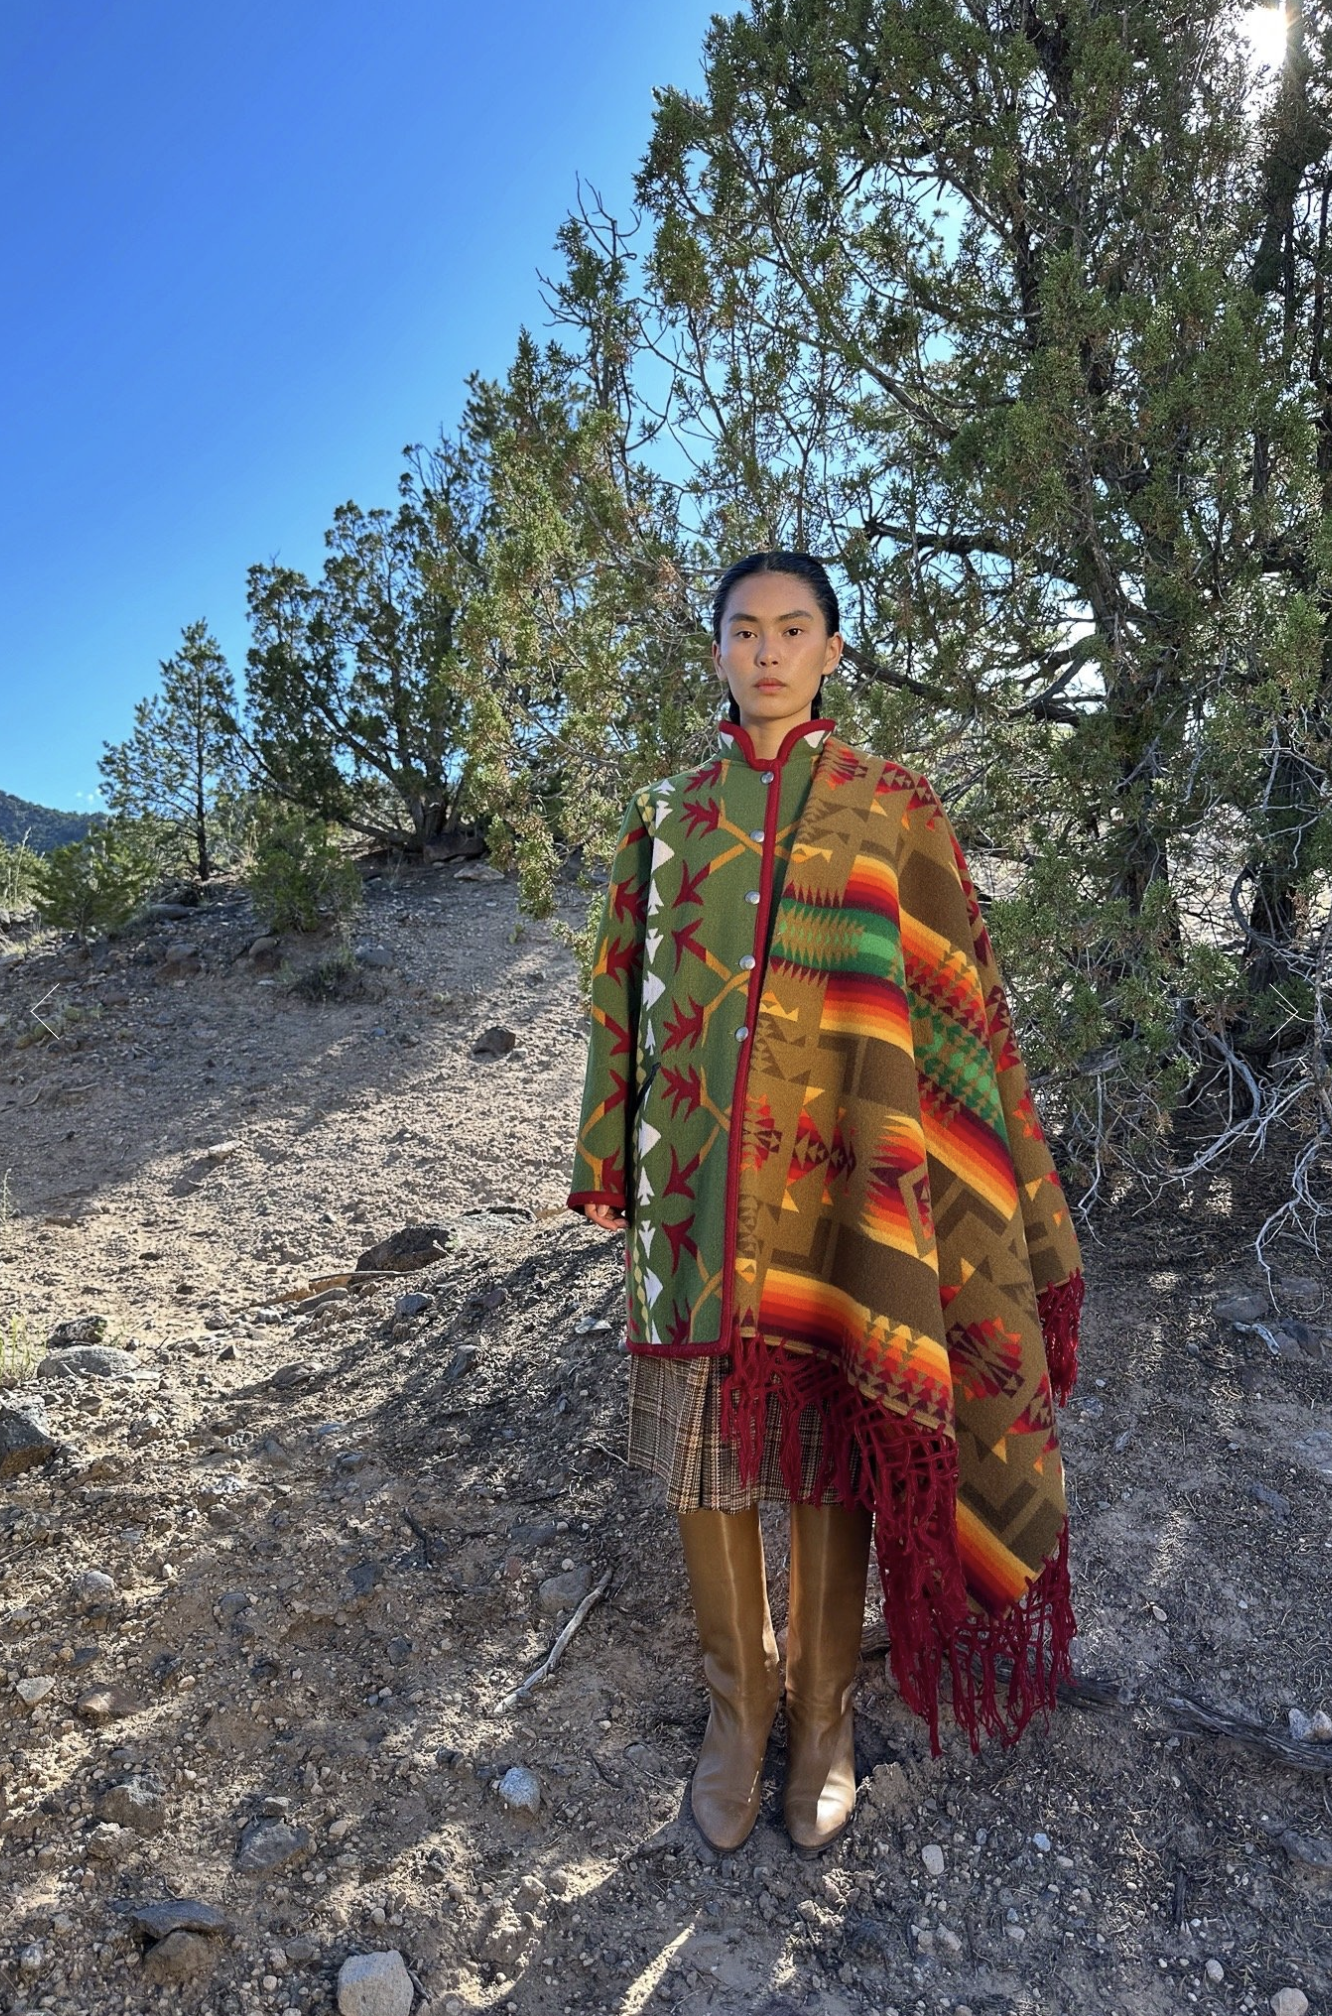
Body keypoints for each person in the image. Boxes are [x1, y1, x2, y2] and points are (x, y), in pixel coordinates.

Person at [567, 550, 1085, 1855]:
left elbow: (955, 1004)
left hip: (844, 1186)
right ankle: (739, 1715)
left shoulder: (891, 806)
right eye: (745, 631)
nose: (769, 651)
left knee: (838, 1432)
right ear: (719, 653)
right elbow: (618, 987)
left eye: (795, 629)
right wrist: (605, 1154)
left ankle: (829, 1712)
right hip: (693, 1204)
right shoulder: (668, 813)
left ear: (834, 650)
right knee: (707, 1452)